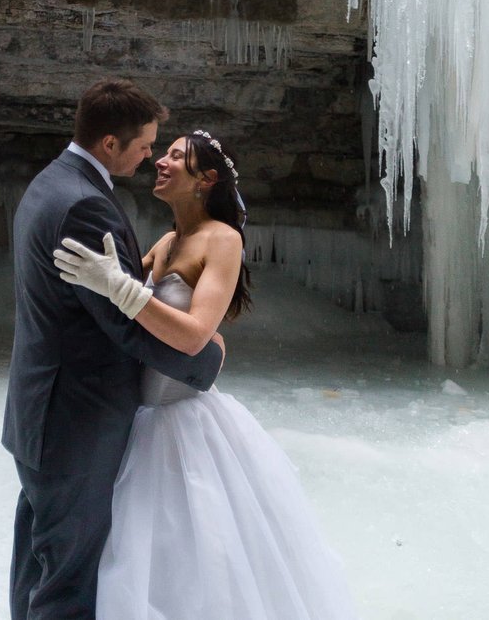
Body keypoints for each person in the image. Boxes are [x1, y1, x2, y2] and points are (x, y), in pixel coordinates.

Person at [55, 130, 362, 620]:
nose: (160, 161)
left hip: (184, 421)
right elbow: (123, 314)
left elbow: (196, 335)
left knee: (201, 563)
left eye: (176, 156)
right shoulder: (166, 241)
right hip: (138, 417)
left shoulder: (223, 239)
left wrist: (120, 289)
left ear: (206, 180)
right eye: (163, 152)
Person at [2, 81, 224, 620]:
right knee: (69, 580)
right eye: (145, 144)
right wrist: (206, 358)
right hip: (75, 419)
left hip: (41, 408)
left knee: (40, 561)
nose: (151, 155)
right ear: (108, 143)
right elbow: (122, 325)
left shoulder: (51, 182)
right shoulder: (84, 205)